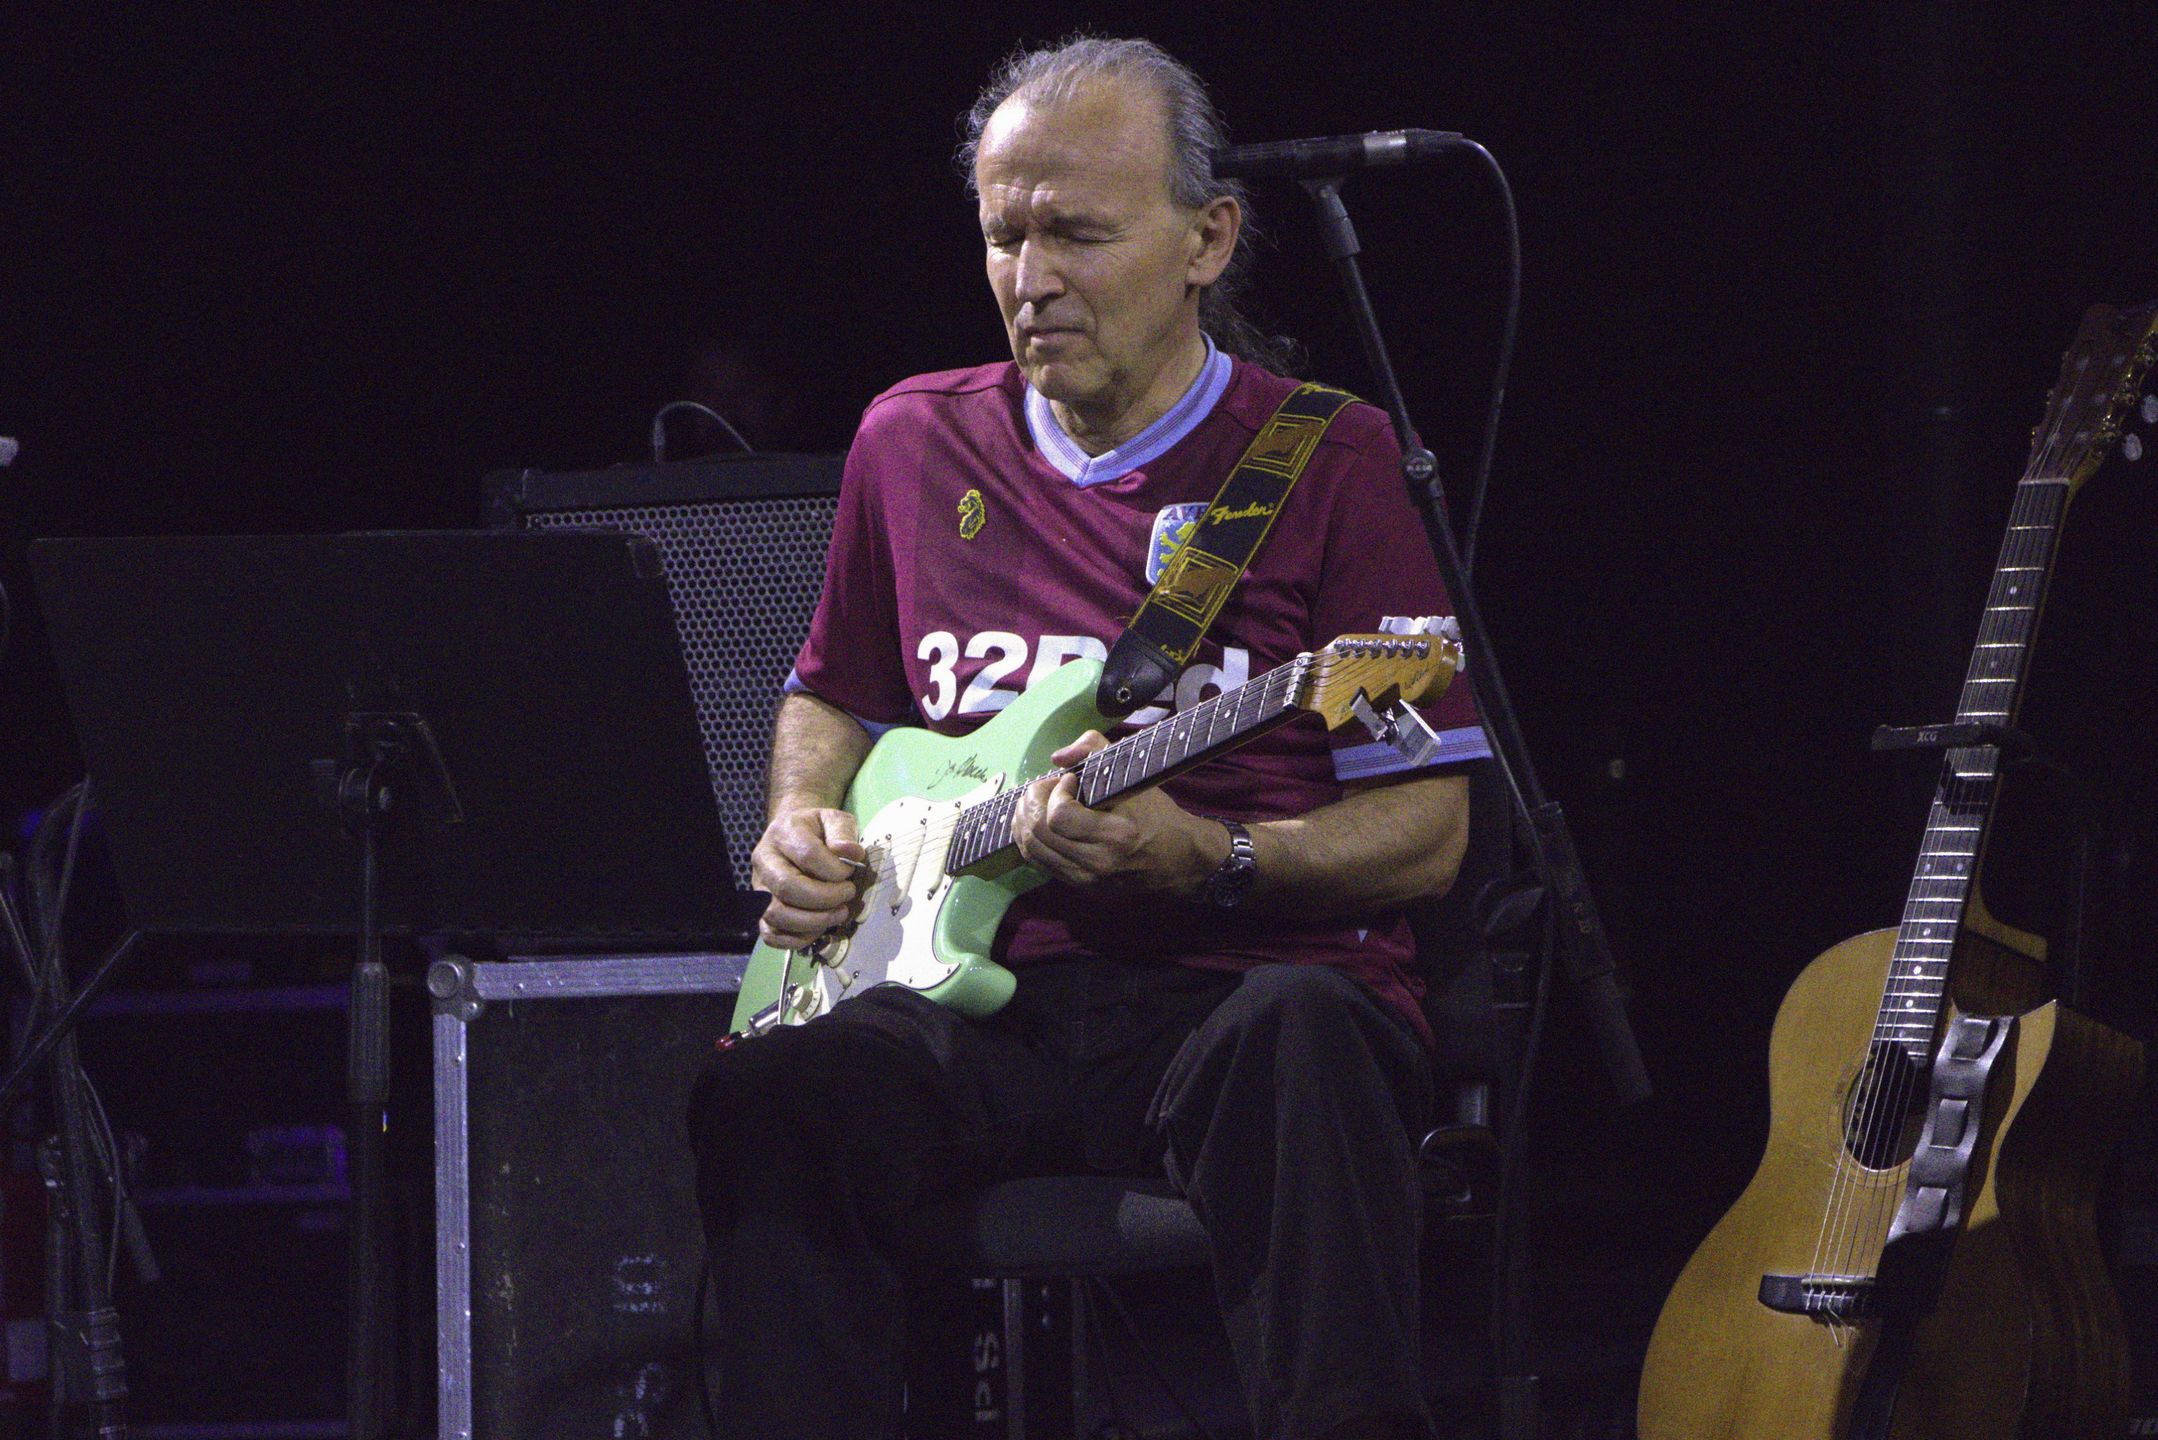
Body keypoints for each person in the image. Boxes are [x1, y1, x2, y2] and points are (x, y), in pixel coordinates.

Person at [688, 34, 1489, 1440]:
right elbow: (833, 692)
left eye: (1078, 234)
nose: (1032, 277)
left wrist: (1216, 858)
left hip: (1241, 996)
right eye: (1005, 236)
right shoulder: (911, 441)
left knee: (1303, 1030)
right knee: (775, 1096)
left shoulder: (1332, 458)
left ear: (1207, 238)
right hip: (980, 1008)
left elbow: (1427, 833)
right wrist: (803, 819)